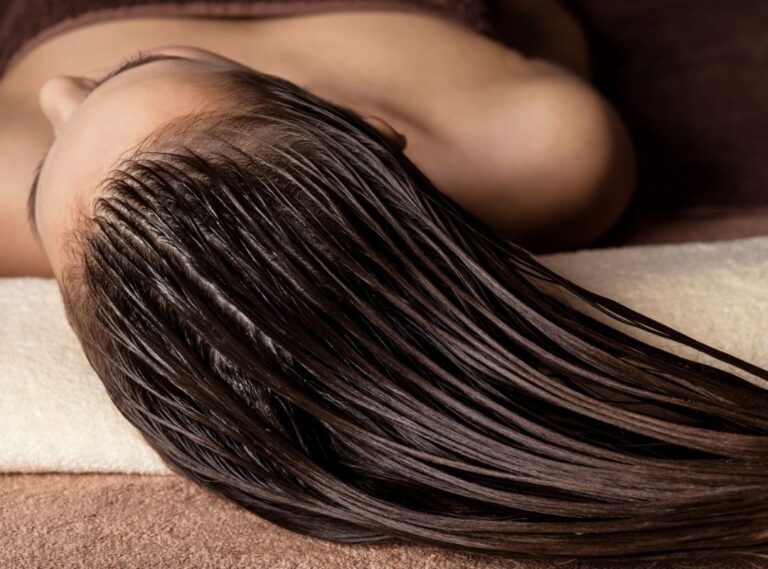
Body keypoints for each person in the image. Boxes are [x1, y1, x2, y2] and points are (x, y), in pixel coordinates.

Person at [2, 0, 767, 564]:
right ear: (371, 127)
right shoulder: (549, 146)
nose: (55, 92)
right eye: (124, 69)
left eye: (45, 175)